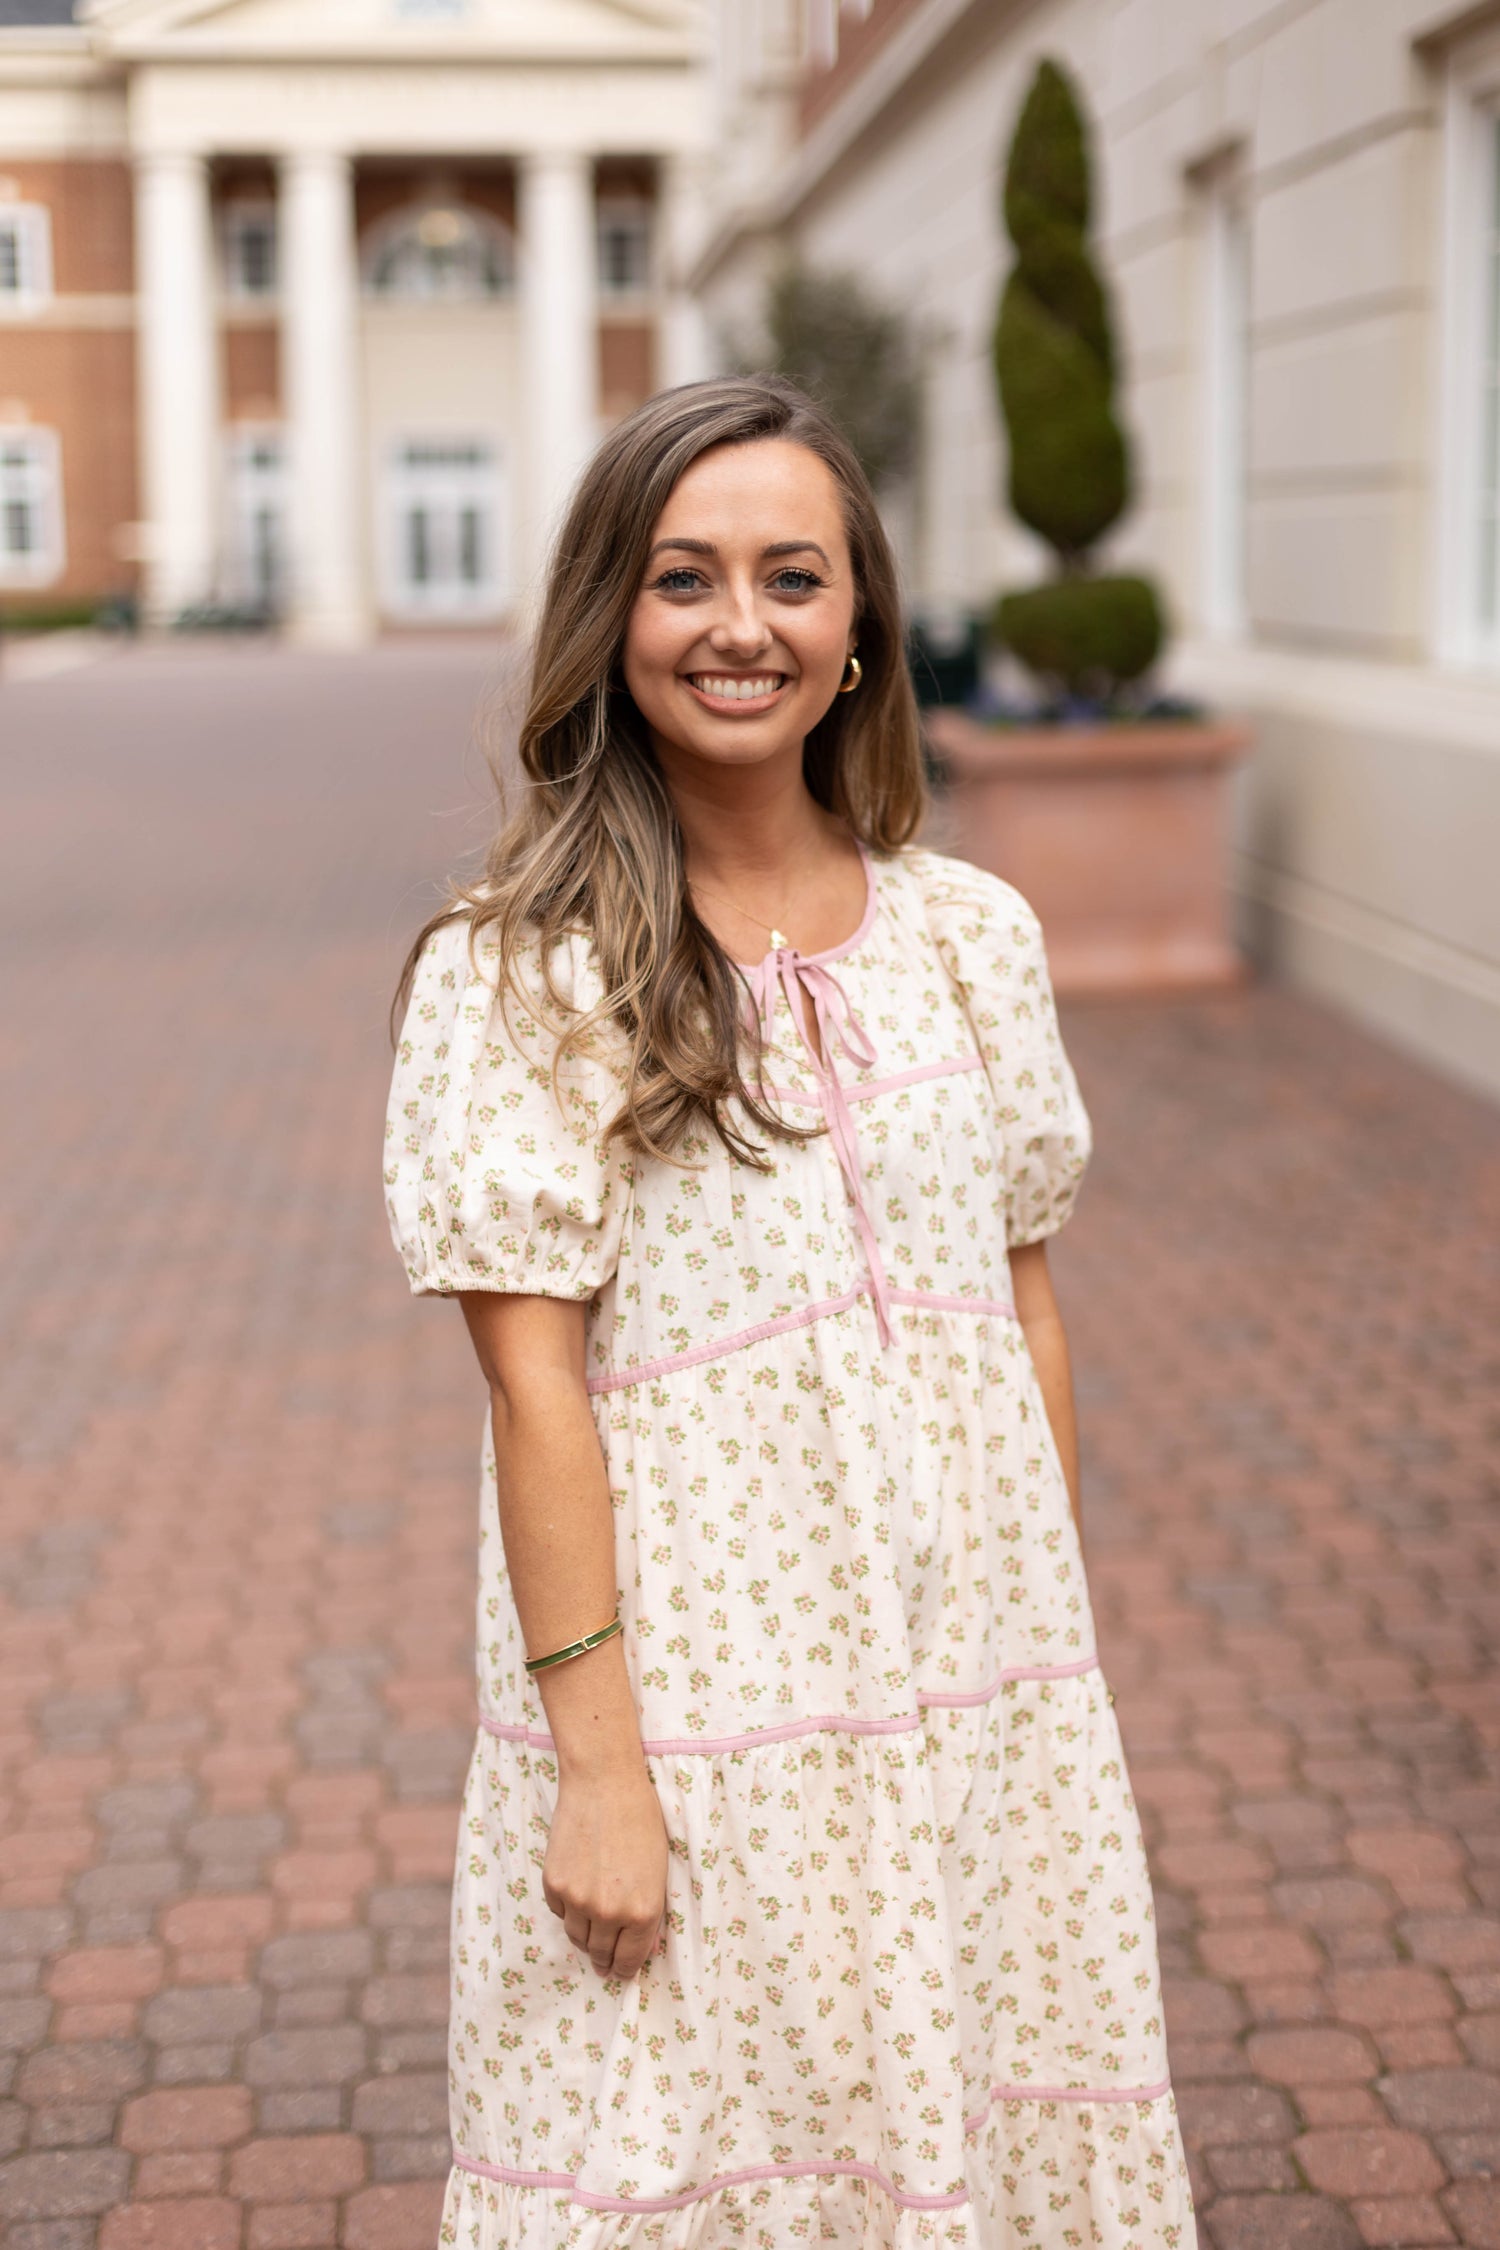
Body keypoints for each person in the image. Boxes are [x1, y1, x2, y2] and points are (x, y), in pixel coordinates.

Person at [385, 375, 1195, 2249]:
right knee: (684, 2153)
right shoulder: (524, 968)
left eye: (791, 577)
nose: (739, 623)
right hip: (699, 1706)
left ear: (858, 638)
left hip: (966, 1692)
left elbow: (1024, 1308)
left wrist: (1028, 1658)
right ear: (613, 622)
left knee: (965, 2123)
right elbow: (537, 1396)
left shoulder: (972, 936)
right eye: (684, 578)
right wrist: (602, 1777)